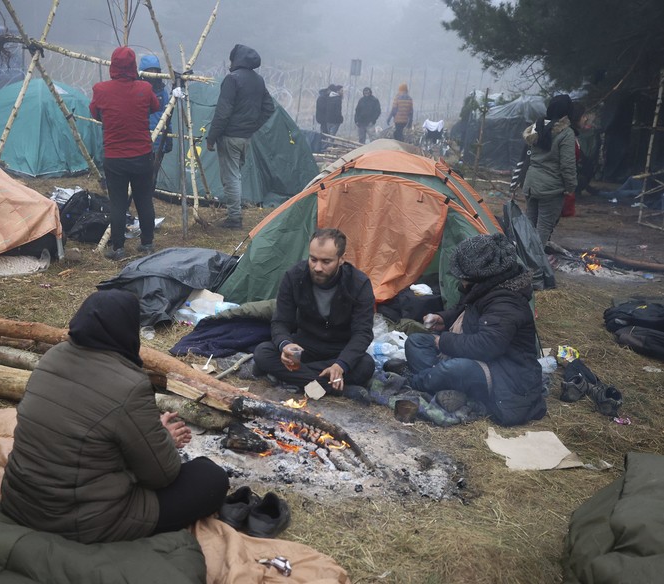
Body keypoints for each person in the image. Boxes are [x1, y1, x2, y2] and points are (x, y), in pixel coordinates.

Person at [1, 290, 230, 544]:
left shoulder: (52, 357)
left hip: (19, 501)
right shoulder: (130, 384)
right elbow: (162, 475)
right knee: (210, 477)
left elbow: (88, 430)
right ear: (128, 330)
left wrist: (150, 435)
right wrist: (164, 439)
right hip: (74, 522)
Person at [402, 233, 546, 426]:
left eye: (463, 276)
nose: (461, 281)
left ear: (480, 275)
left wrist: (443, 341)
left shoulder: (507, 303)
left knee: (454, 369)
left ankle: (416, 382)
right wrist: (443, 319)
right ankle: (444, 387)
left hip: (505, 373)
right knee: (416, 342)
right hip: (479, 359)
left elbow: (486, 346)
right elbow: (466, 310)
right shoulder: (487, 287)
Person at [253, 228, 376, 399]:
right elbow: (280, 321)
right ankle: (330, 388)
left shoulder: (359, 284)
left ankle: (292, 379)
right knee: (263, 352)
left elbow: (362, 333)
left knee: (366, 365)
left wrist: (341, 365)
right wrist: (285, 344)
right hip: (305, 345)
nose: (317, 267)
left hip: (338, 349)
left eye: (326, 261)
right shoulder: (294, 276)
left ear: (341, 259)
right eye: (313, 259)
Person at [90, 47, 160, 260]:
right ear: (133, 66)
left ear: (112, 65)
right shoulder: (145, 88)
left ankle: (118, 248)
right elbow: (155, 107)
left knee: (118, 202)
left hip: (115, 157)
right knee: (144, 200)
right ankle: (147, 243)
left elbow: (95, 112)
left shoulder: (100, 89)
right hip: (142, 154)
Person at [206, 44, 275, 229]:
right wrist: (252, 126)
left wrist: (211, 137)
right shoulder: (258, 80)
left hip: (230, 137)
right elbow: (269, 107)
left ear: (236, 59)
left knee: (231, 178)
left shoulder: (232, 79)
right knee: (236, 175)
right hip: (245, 138)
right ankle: (234, 214)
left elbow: (223, 112)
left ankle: (234, 219)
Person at [522, 94, 577, 248]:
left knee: (529, 226)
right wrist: (571, 187)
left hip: (531, 184)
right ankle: (534, 267)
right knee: (543, 229)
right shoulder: (566, 133)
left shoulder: (537, 127)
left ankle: (521, 260)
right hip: (550, 188)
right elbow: (567, 165)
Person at [139, 54, 172, 177]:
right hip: (141, 139)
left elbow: (167, 114)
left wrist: (168, 138)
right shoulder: (137, 90)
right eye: (149, 70)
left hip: (158, 142)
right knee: (140, 175)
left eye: (155, 70)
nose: (152, 73)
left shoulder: (162, 92)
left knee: (153, 175)